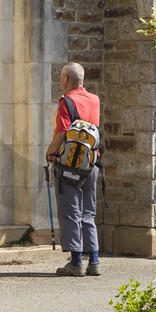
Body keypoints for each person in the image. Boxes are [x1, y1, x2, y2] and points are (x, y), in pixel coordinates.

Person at [46, 62, 101, 277]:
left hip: (69, 166)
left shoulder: (66, 102)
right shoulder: (95, 100)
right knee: (88, 212)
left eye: (61, 77)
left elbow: (62, 133)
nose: (60, 80)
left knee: (71, 212)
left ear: (67, 80)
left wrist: (50, 153)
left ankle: (76, 263)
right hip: (92, 162)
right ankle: (94, 261)